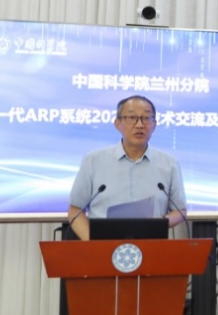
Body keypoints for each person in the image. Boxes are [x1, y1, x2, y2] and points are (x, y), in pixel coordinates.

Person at [67, 95, 187, 240]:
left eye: (146, 118)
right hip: (104, 245)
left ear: (154, 125)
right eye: (132, 118)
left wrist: (158, 224)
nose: (140, 125)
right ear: (118, 124)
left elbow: (180, 211)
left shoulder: (169, 164)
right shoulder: (93, 161)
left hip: (151, 246)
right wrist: (93, 244)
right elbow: (75, 210)